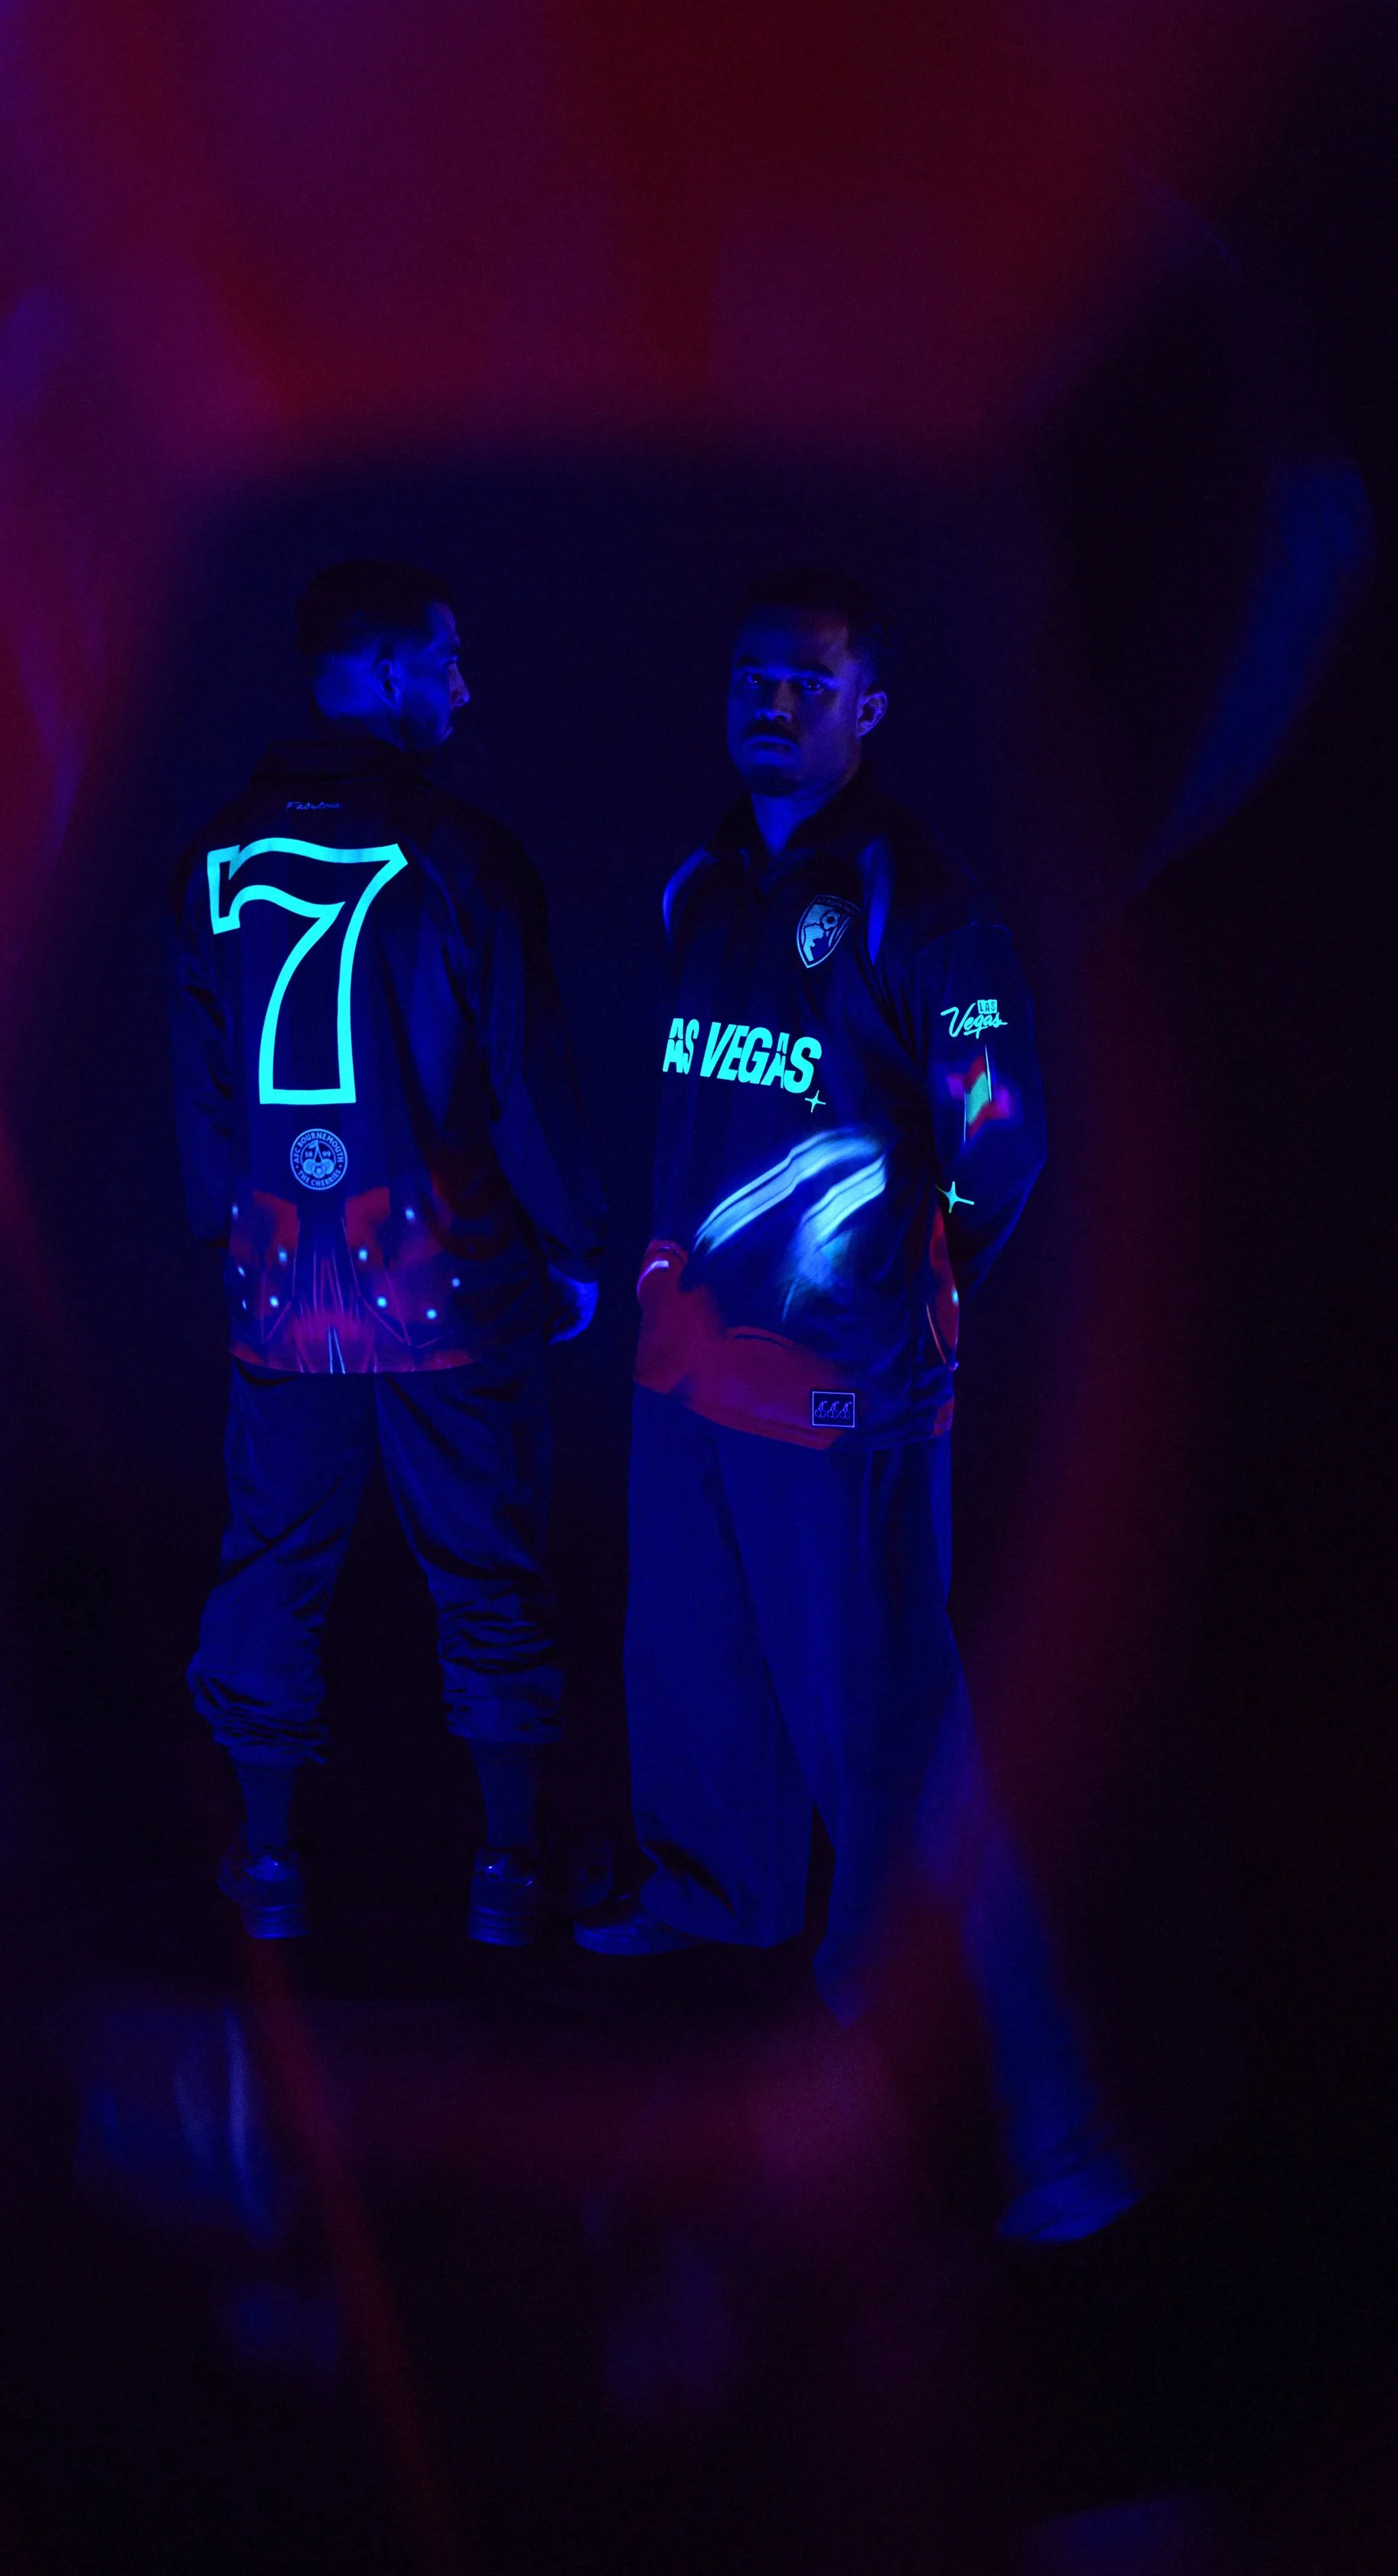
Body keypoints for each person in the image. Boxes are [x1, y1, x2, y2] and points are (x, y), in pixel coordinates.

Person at [576, 568, 1133, 2242]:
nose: (769, 702)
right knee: (691, 1665)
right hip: (689, 1368)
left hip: (842, 1393)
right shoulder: (699, 883)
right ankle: (716, 1889)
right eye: (751, 677)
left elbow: (1000, 1138)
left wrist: (912, 1284)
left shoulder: (920, 900)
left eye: (804, 683)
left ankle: (1031, 2109)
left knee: (892, 1731)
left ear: (864, 710)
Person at [167, 559, 604, 1947]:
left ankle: (272, 1870)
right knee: (488, 1562)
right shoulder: (465, 854)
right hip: (451, 1277)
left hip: (280, 1284)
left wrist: (232, 1237)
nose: (467, 685)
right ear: (381, 673)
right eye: (446, 658)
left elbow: (204, 1094)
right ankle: (509, 1873)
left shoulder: (212, 857)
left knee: (271, 1562)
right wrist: (576, 1243)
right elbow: (524, 1078)